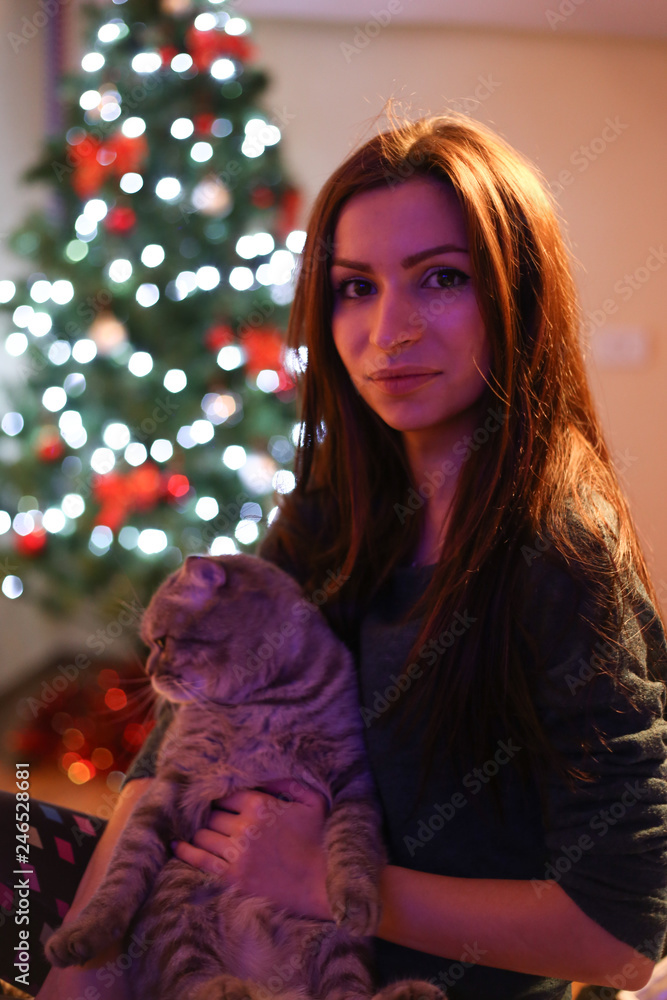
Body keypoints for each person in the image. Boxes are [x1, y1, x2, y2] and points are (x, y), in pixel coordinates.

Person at [26, 113, 667, 1000]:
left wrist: (317, 879)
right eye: (355, 288)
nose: (388, 330)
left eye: (441, 278)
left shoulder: (560, 552)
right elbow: (161, 767)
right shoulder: (330, 511)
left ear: (516, 295)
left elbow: (621, 939)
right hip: (222, 950)